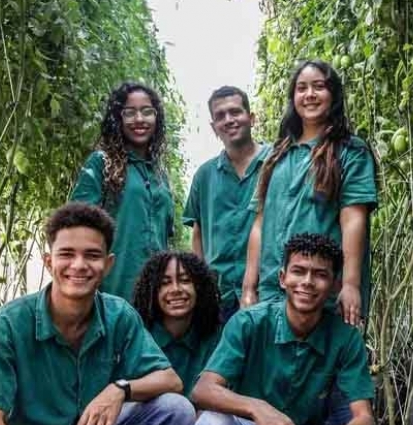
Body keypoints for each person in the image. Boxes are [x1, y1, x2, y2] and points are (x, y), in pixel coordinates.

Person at [0, 203, 194, 425]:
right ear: (49, 262)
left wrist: (119, 389)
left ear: (108, 265)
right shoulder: (7, 325)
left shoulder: (119, 316)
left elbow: (170, 380)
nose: (79, 265)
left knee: (175, 410)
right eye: (67, 254)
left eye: (92, 255)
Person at [191, 233, 387, 425]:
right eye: (298, 271)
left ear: (335, 285)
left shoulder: (345, 337)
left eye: (320, 274)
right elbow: (203, 390)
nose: (307, 281)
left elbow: (365, 419)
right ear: (283, 278)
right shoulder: (249, 323)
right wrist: (258, 408)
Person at [241, 60, 378, 326]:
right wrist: (249, 286)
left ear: (334, 95)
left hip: (325, 292)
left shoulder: (351, 151)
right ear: (293, 98)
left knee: (326, 363)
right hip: (273, 290)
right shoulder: (275, 156)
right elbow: (259, 224)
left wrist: (350, 284)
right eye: (301, 88)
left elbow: (353, 219)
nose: (310, 95)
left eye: (319, 87)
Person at [70, 82, 175, 302]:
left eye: (147, 112)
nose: (139, 119)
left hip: (157, 295)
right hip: (114, 290)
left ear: (157, 118)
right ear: (118, 118)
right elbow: (76, 227)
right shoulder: (101, 163)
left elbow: (165, 235)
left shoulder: (160, 174)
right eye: (130, 112)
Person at [184, 86, 271, 321]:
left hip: (270, 292)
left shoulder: (277, 161)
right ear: (214, 128)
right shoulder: (204, 175)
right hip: (219, 296)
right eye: (220, 116)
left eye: (235, 112)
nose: (229, 120)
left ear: (251, 118)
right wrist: (202, 286)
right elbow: (198, 233)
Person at [132, 251, 222, 425]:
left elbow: (214, 404)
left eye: (185, 280)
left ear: (199, 287)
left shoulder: (216, 336)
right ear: (153, 291)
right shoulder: (137, 335)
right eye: (165, 283)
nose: (176, 289)